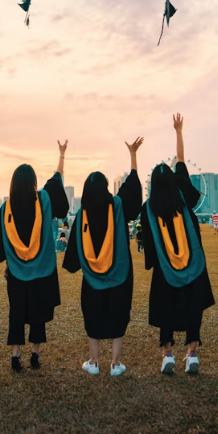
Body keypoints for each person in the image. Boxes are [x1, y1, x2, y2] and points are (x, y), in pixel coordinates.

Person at [139, 114, 215, 375]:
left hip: (164, 268)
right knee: (193, 306)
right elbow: (181, 161)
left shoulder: (147, 209)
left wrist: (153, 261)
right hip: (193, 264)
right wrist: (178, 131)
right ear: (172, 181)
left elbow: (146, 241)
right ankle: (192, 354)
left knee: (166, 309)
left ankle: (167, 354)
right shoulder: (182, 195)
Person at [63, 137, 144, 377]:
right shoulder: (118, 204)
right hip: (120, 274)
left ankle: (94, 362)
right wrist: (133, 156)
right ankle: (116, 364)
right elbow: (133, 192)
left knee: (94, 316)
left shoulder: (82, 215)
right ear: (107, 188)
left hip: (92, 280)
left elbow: (74, 252)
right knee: (119, 315)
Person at [0, 140, 70, 372]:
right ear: (34, 182)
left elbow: (1, 243)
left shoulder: (6, 209)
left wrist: (9, 264)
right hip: (42, 271)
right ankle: (35, 355)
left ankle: (15, 356)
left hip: (16, 273)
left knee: (16, 313)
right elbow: (57, 181)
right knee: (38, 313)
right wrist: (61, 155)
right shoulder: (43, 199)